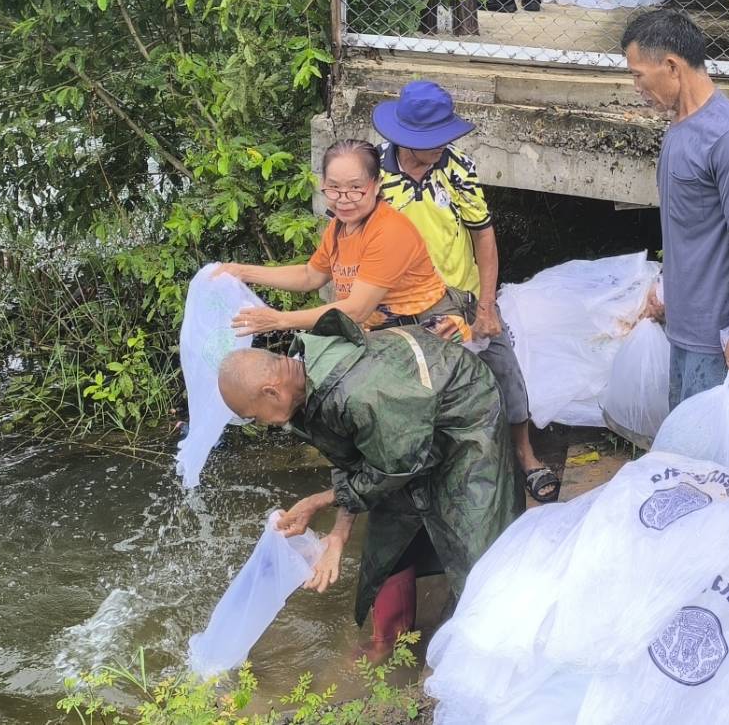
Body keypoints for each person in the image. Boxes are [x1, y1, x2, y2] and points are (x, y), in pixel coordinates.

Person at [218, 311, 518, 662]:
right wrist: (338, 535)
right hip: (403, 427)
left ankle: (491, 639)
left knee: (478, 534)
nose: (262, 424)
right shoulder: (305, 385)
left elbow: (396, 465)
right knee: (388, 532)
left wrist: (319, 501)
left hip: (463, 414)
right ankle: (391, 637)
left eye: (255, 416)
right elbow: (358, 460)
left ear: (270, 391)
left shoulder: (358, 391)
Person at [373, 80, 558, 503]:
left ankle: (525, 455)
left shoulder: (458, 167)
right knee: (420, 393)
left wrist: (487, 306)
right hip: (406, 306)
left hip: (466, 295)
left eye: (445, 136)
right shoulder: (374, 177)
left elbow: (484, 236)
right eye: (432, 139)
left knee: (505, 369)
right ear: (404, 137)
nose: (442, 145)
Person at [619, 8, 729, 408]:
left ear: (671, 66)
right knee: (686, 451)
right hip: (685, 327)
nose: (635, 85)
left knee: (710, 462)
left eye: (639, 74)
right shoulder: (680, 126)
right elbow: (688, 228)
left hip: (719, 338)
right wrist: (666, 288)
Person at [216, 140, 471, 339]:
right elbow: (310, 276)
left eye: (355, 188)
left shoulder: (390, 231)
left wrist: (280, 320)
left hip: (428, 331)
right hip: (382, 332)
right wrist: (242, 272)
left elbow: (357, 309)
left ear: (376, 185)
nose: (344, 198)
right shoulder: (339, 228)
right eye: (334, 188)